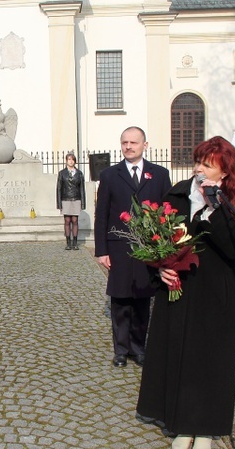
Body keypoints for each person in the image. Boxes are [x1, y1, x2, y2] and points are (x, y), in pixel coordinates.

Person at [136, 136, 235, 449]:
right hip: (179, 287)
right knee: (178, 352)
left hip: (216, 292)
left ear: (225, 171)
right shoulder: (177, 194)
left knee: (209, 359)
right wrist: (158, 269)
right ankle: (180, 423)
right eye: (198, 161)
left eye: (207, 163)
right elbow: (156, 239)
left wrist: (211, 209)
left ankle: (205, 427)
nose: (198, 168)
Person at [94, 126, 171, 368]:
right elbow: (102, 215)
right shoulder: (109, 175)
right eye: (125, 142)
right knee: (120, 301)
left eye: (133, 143)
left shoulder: (159, 174)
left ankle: (138, 348)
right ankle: (121, 350)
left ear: (144, 145)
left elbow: (167, 213)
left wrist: (166, 250)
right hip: (119, 248)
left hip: (149, 248)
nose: (128, 146)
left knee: (142, 299)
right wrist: (102, 250)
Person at [56, 152, 86, 250]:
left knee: (75, 220)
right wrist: (59, 203)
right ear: (66, 161)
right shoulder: (62, 173)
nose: (71, 161)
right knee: (67, 220)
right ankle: (68, 242)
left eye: (72, 159)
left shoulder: (79, 173)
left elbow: (82, 189)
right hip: (65, 199)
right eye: (69, 159)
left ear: (75, 161)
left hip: (76, 198)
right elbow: (59, 188)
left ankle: (75, 242)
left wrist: (83, 203)